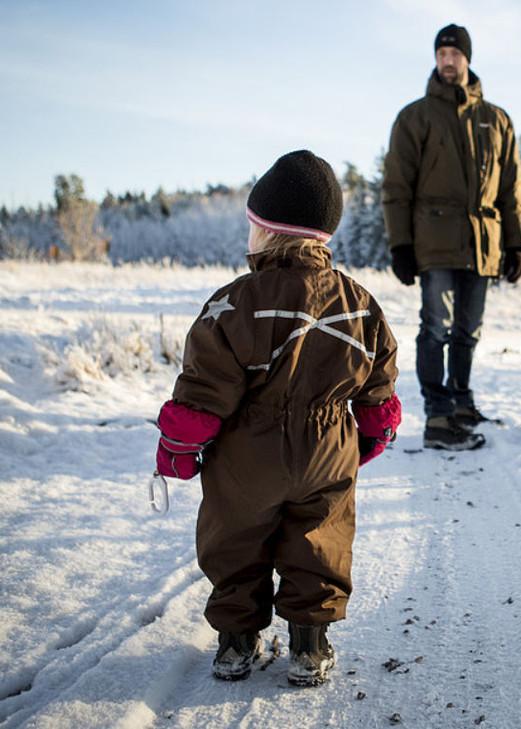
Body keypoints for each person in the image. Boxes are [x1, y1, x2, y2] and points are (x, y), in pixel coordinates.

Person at [153, 150, 401, 686]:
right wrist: (376, 430)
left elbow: (203, 388)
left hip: (247, 454)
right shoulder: (359, 304)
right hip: (328, 448)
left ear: (265, 232)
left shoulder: (233, 304)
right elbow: (378, 380)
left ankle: (236, 644)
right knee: (320, 538)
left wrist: (178, 445)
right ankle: (310, 646)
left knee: (236, 541)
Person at [382, 23, 521, 451]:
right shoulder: (415, 117)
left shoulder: (496, 119)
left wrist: (518, 244)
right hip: (434, 241)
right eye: (441, 54)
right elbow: (396, 187)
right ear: (435, 59)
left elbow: (511, 189)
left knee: (468, 330)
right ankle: (438, 415)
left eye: (455, 53)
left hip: (484, 242)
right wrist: (401, 245)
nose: (448, 61)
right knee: (436, 328)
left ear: (468, 58)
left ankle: (462, 402)